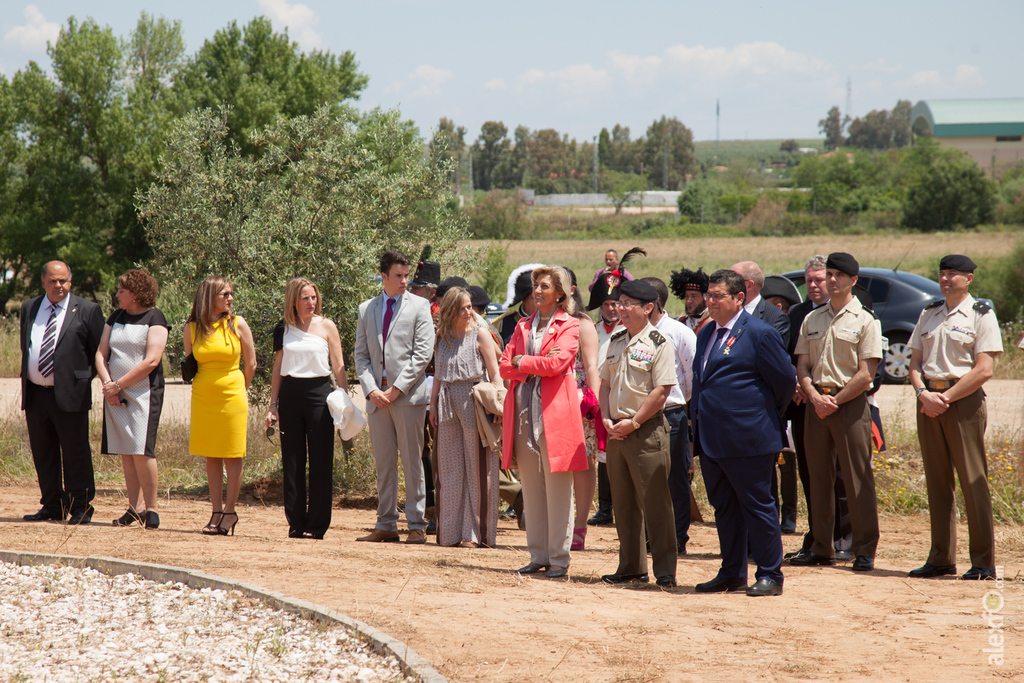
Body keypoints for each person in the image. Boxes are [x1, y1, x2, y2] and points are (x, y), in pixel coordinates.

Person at [692, 269, 795, 597]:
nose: (711, 301)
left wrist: (760, 418)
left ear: (739, 298)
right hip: (712, 438)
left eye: (717, 296)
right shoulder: (706, 334)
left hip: (749, 437)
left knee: (757, 506)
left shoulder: (760, 333)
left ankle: (769, 574)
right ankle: (731, 571)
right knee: (724, 507)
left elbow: (784, 382)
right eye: (708, 295)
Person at [908, 255, 1003, 581]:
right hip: (928, 401)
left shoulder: (981, 315)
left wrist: (945, 398)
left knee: (973, 482)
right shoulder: (929, 312)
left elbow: (984, 369)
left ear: (969, 279)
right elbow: (914, 364)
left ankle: (983, 562)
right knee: (937, 482)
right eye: (943, 274)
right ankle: (941, 558)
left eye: (954, 275)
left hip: (960, 403)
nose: (946, 279)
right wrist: (923, 394)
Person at [792, 253, 882, 572]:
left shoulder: (866, 320)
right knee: (817, 478)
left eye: (839, 276)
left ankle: (864, 549)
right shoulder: (811, 319)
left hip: (850, 406)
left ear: (853, 281)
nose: (832, 280)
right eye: (829, 274)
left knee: (857, 479)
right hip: (817, 406)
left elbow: (866, 373)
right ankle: (821, 546)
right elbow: (803, 365)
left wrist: (835, 400)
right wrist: (815, 396)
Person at [500, 266, 588, 579]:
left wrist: (522, 362)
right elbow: (503, 367)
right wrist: (532, 365)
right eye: (536, 286)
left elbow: (559, 363)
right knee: (533, 490)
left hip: (555, 416)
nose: (537, 291)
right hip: (523, 415)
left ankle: (559, 559)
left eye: (545, 286)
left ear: (560, 293)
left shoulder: (570, 324)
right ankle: (537, 555)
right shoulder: (523, 325)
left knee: (559, 490)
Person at [599, 279, 679, 587]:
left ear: (648, 308)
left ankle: (665, 570)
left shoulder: (659, 343)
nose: (620, 309)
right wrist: (606, 417)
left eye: (627, 304)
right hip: (616, 430)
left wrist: (633, 423)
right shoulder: (616, 339)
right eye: (619, 303)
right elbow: (605, 383)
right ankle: (631, 566)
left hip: (644, 430)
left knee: (655, 503)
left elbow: (661, 391)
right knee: (623, 503)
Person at [355, 250, 435, 544]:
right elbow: (361, 357)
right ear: (384, 277)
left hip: (408, 397)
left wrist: (395, 389)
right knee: (384, 464)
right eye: (398, 276)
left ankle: (416, 525)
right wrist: (372, 390)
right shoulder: (366, 309)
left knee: (413, 462)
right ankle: (386, 523)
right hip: (376, 399)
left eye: (406, 275)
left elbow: (423, 354)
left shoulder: (420, 306)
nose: (404, 281)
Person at [20, 261, 104, 525]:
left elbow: (98, 353)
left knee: (75, 451)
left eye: (64, 280)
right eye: (54, 281)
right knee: (43, 452)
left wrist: (78, 380)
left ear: (71, 281)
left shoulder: (88, 310)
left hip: (71, 394)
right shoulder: (29, 307)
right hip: (36, 394)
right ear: (43, 282)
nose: (59, 285)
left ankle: (81, 506)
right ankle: (53, 505)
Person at [266, 278, 348, 539]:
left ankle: (317, 525)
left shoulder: (327, 326)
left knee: (321, 461)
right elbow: (278, 368)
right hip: (290, 396)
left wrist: (343, 398)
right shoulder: (283, 328)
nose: (311, 302)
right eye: (305, 298)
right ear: (293, 300)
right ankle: (296, 522)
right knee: (292, 462)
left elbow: (338, 365)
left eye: (313, 297)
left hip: (319, 397)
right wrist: (272, 405)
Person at [785, 256, 853, 562]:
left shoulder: (856, 310)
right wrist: (797, 384)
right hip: (805, 405)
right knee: (811, 474)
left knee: (842, 476)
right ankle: (817, 539)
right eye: (808, 280)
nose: (813, 285)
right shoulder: (799, 313)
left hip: (842, 404)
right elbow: (790, 356)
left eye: (819, 279)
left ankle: (847, 538)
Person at [95, 268, 170, 530]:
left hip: (143, 393)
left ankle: (152, 509)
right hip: (114, 392)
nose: (117, 295)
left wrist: (118, 385)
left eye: (121, 291)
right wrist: (108, 386)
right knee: (126, 449)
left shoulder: (155, 317)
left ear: (135, 294)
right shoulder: (115, 316)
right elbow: (100, 354)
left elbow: (152, 360)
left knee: (141, 448)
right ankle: (134, 508)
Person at [429, 287, 503, 547]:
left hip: (475, 400)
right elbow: (438, 372)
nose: (468, 311)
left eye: (470, 306)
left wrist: (497, 406)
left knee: (478, 468)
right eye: (462, 307)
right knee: (448, 469)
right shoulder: (442, 336)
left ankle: (475, 535)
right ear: (449, 310)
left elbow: (495, 373)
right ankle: (449, 533)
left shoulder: (480, 333)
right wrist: (432, 404)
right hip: (446, 401)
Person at [186, 276, 257, 536]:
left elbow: (251, 364)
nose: (230, 298)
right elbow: (190, 366)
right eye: (224, 294)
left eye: (231, 293)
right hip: (203, 396)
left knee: (232, 452)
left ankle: (230, 511)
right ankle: (215, 510)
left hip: (232, 395)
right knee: (211, 453)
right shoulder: (192, 328)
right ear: (209, 297)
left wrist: (240, 389)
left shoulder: (238, 324)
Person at [641, 277, 697, 555]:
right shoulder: (630, 332)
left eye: (636, 302)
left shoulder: (679, 332)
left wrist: (683, 414)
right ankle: (649, 536)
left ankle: (676, 538)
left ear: (653, 304)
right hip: (639, 417)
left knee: (674, 480)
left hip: (671, 415)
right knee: (646, 480)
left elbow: (690, 380)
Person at [564, 268, 600, 550]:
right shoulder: (542, 320)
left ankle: (580, 526)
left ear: (572, 289)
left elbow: (591, 366)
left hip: (578, 403)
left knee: (584, 462)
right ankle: (558, 523)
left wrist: (593, 405)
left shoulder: (582, 323)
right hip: (547, 401)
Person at [731, 261, 791, 347]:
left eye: (732, 282)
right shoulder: (724, 312)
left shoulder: (776, 319)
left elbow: (772, 356)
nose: (726, 286)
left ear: (748, 285)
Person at [496, 264, 544, 345]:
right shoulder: (503, 324)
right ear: (523, 299)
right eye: (535, 298)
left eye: (543, 298)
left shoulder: (556, 321)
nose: (540, 303)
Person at [670, 267, 711, 334]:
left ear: (705, 297)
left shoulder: (714, 322)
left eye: (694, 296)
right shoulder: (679, 322)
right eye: (687, 296)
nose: (689, 301)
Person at [409, 246, 441, 316]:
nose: (411, 292)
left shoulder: (439, 315)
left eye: (416, 289)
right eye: (412, 288)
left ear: (432, 293)